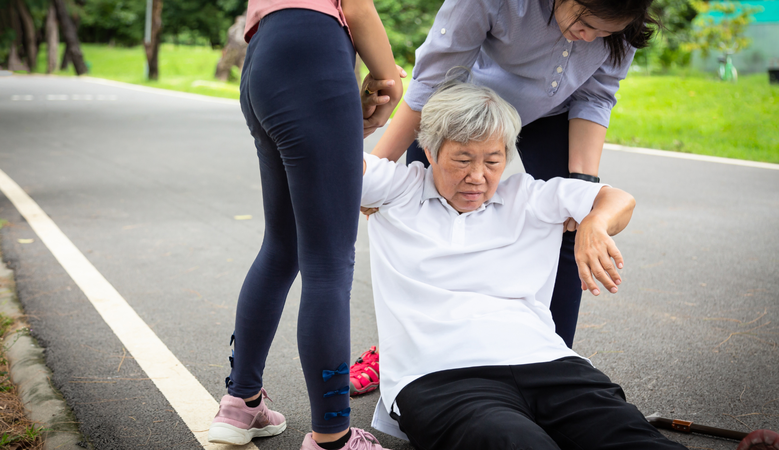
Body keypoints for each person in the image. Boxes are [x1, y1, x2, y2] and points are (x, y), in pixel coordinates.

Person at [360, 80, 672, 449]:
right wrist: (362, 119)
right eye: (462, 159)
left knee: (634, 440)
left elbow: (618, 199)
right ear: (430, 151)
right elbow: (325, 161)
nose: (478, 176)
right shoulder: (397, 190)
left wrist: (595, 223)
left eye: (493, 161)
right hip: (441, 376)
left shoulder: (528, 197)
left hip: (550, 365)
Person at [366, 0, 660, 349]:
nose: (588, 38)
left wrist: (582, 191)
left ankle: (551, 352)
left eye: (604, 33)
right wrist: (377, 177)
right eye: (586, 23)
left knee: (570, 226)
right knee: (430, 217)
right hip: (469, 111)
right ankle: (398, 346)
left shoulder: (623, 26)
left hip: (553, 112)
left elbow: (596, 97)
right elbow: (431, 81)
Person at [206, 0, 402, 447]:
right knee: (329, 262)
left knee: (282, 247)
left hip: (263, 58)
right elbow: (356, 6)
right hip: (313, 52)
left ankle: (242, 404)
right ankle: (332, 436)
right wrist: (387, 80)